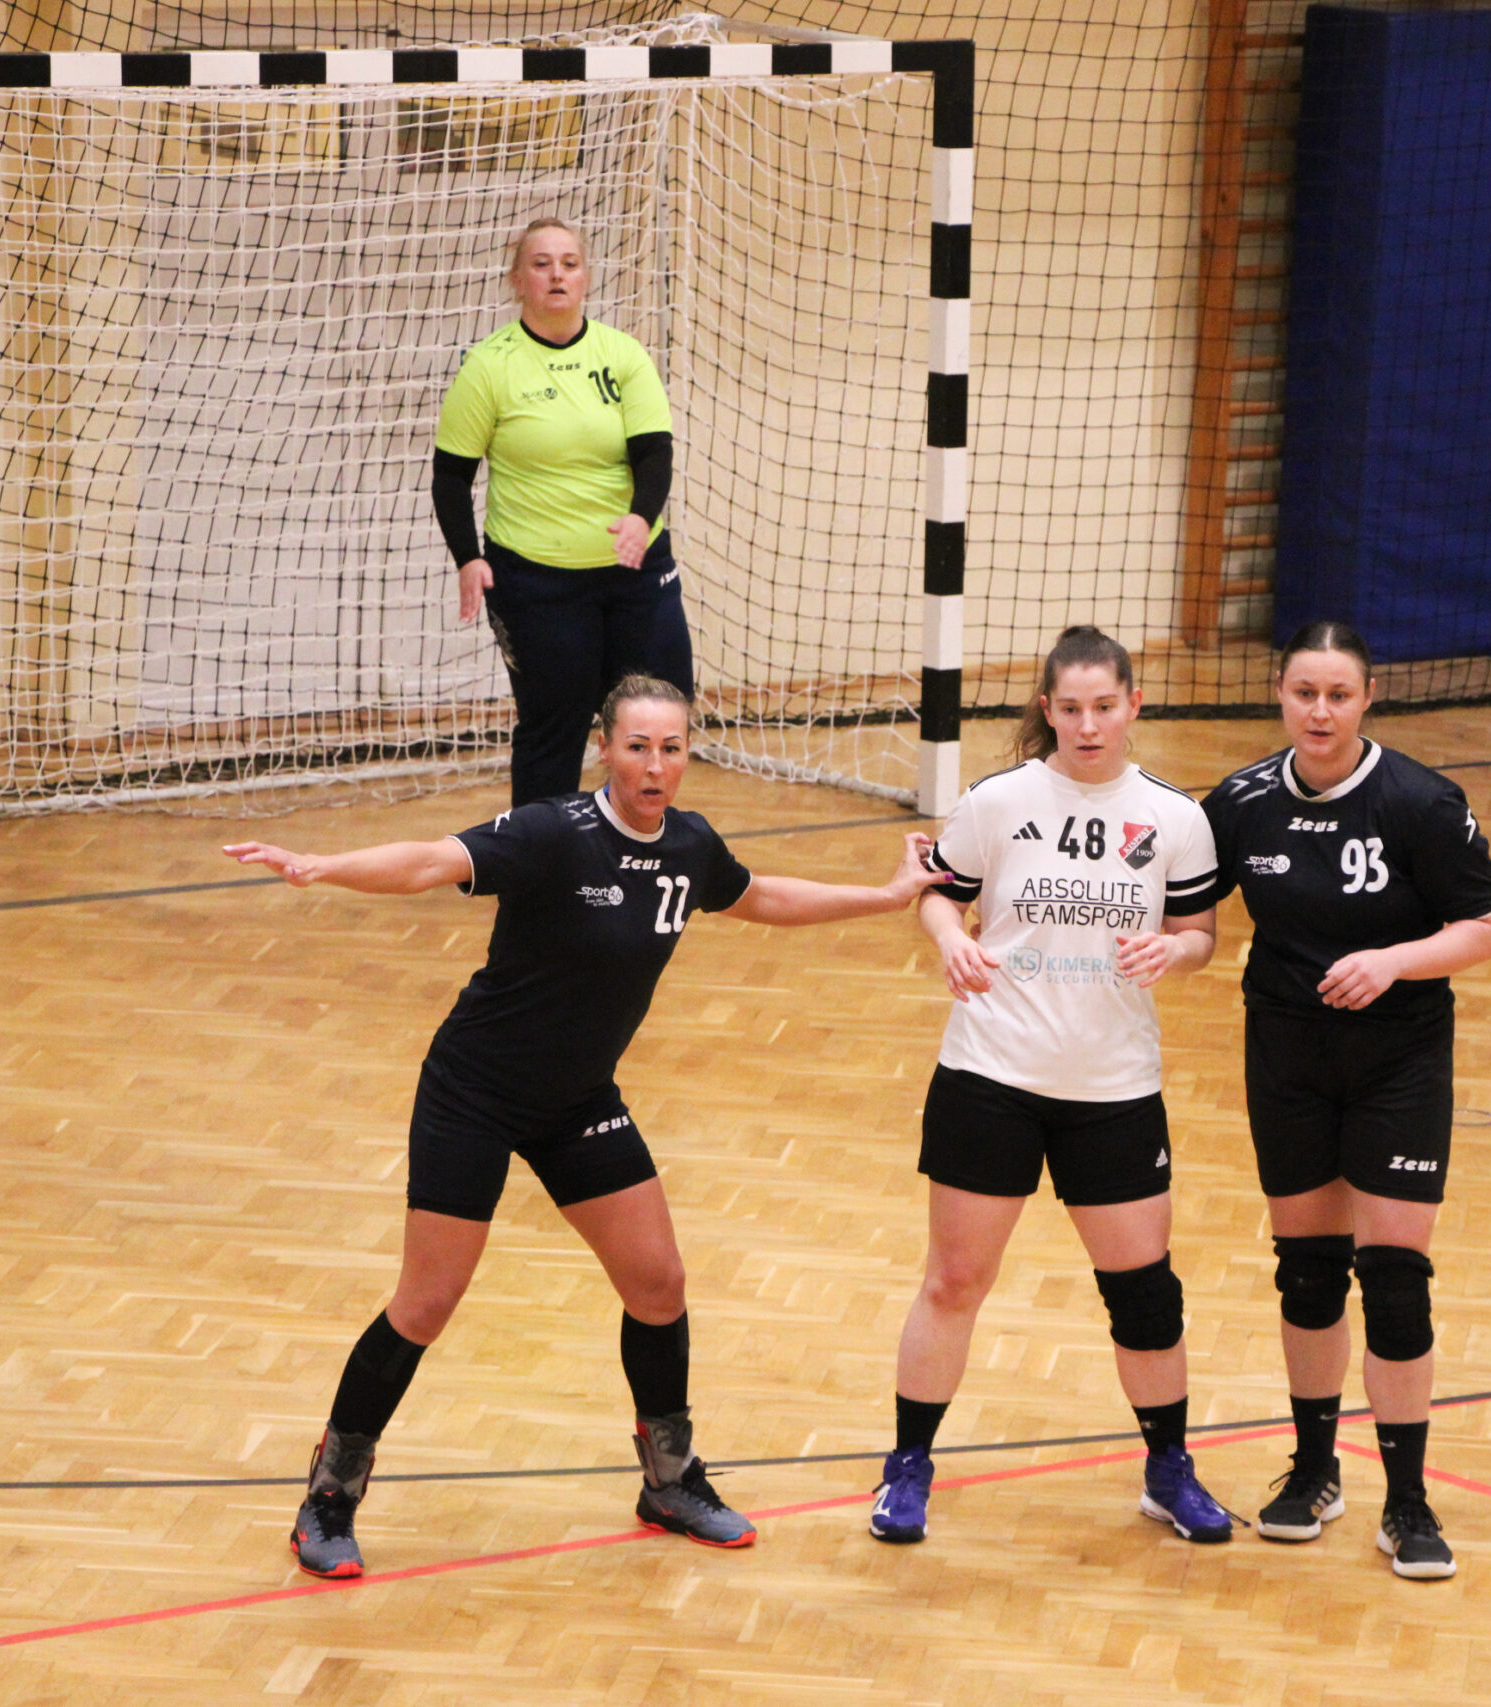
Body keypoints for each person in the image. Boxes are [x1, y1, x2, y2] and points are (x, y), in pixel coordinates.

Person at [223, 673, 946, 1579]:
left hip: (577, 1100)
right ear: (605, 747)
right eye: (637, 747)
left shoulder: (689, 844)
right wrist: (321, 866)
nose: (655, 766)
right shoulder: (551, 834)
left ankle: (669, 1479)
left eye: (672, 748)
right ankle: (329, 1497)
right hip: (474, 1091)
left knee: (658, 1282)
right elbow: (429, 861)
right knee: (426, 1300)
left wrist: (886, 895)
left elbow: (760, 896)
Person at [869, 625, 1236, 1546]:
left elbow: (1200, 932)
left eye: (1105, 706)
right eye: (1070, 708)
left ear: (1133, 704)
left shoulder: (1176, 817)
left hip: (1114, 1087)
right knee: (955, 1280)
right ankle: (907, 1468)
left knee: (1145, 1291)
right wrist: (948, 938)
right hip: (990, 1075)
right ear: (1048, 709)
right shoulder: (997, 802)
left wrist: (1177, 952)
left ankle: (1168, 1470)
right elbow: (939, 892)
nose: (1088, 724)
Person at [1200, 620, 1491, 1580]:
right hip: (1287, 1056)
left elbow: (1486, 926)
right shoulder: (1240, 803)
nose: (1321, 711)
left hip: (1398, 1059)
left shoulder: (1420, 801)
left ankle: (1407, 1499)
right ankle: (1314, 1470)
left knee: (1397, 1278)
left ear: (1368, 697)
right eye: (1305, 692)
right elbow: (1185, 908)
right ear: (1280, 694)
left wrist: (1393, 962)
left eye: (1339, 694)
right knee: (1307, 1272)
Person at [435, 216, 693, 807]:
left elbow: (654, 453)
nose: (557, 274)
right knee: (555, 725)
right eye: (542, 263)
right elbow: (451, 475)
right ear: (517, 279)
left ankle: (639, 846)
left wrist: (639, 517)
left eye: (569, 264)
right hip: (537, 583)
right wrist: (468, 558)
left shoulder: (622, 355)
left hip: (636, 575)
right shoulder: (490, 366)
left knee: (657, 716)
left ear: (586, 278)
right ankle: (541, 855)